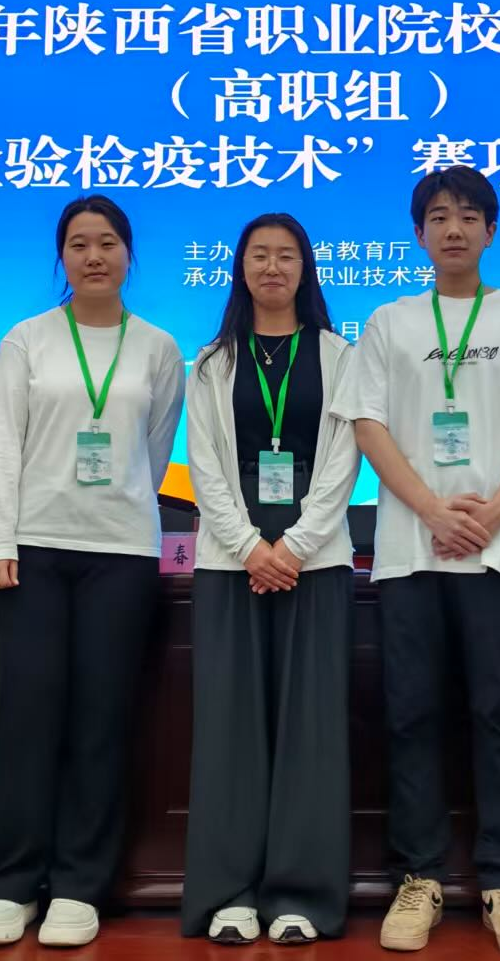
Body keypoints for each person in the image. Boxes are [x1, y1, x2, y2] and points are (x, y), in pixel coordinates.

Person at [331, 166, 500, 959]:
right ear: (419, 233)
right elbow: (368, 424)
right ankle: (419, 876)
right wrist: (431, 509)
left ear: (491, 230)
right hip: (410, 551)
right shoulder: (389, 321)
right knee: (412, 715)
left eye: (468, 215)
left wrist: (492, 512)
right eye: (438, 216)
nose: (453, 228)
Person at [0, 196, 186, 950]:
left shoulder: (157, 347)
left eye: (108, 242)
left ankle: (79, 885)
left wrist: (117, 506)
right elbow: (1, 444)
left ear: (129, 253)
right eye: (79, 243)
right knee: (26, 718)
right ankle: (9, 884)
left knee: (100, 720)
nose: (94, 256)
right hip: (32, 549)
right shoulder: (27, 339)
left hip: (121, 553)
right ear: (61, 256)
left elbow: (153, 451)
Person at [180, 213, 361, 947]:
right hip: (231, 564)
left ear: (306, 269)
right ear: (241, 268)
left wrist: (296, 545)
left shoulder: (340, 356)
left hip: (316, 564)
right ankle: (229, 893)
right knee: (229, 729)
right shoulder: (212, 362)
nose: (273, 267)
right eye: (259, 255)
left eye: (287, 255)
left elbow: (346, 457)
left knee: (310, 732)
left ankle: (301, 896)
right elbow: (204, 465)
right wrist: (252, 547)